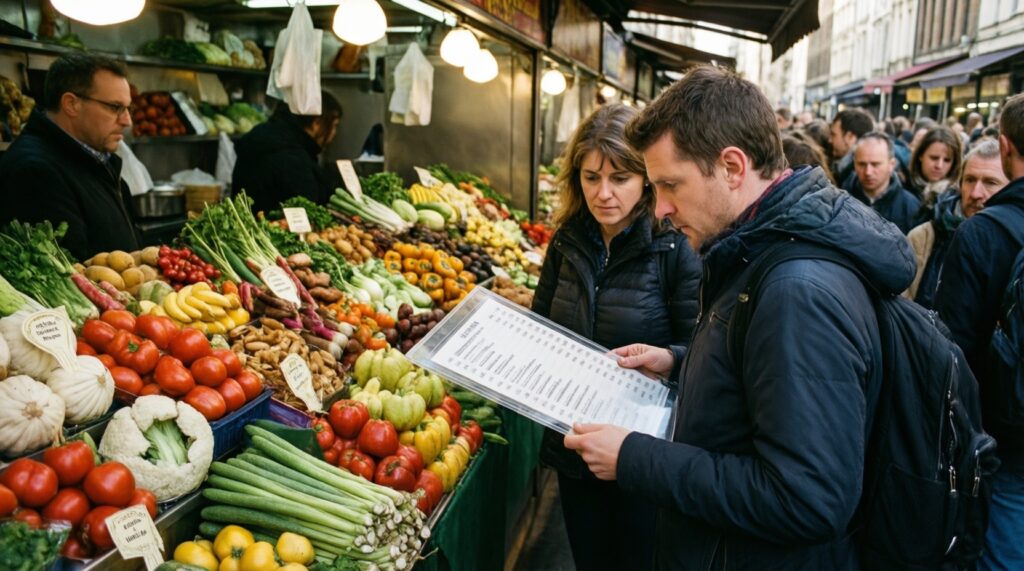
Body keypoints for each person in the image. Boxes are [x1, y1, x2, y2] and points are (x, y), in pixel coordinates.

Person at [564, 65, 915, 569]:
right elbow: (765, 376)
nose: (660, 208)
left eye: (670, 185)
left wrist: (636, 459)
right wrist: (680, 362)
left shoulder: (798, 291)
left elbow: (806, 498)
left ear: (732, 167)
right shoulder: (760, 251)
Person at [531, 103, 700, 571]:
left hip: (641, 452)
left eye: (619, 178)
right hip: (574, 443)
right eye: (590, 178)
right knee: (590, 558)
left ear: (646, 177)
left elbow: (703, 349)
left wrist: (670, 356)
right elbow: (539, 325)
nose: (603, 193)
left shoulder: (674, 246)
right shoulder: (567, 240)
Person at [935, 92, 1024, 571]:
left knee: (1003, 550)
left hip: (1006, 434)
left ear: (1005, 146)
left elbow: (954, 351)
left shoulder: (982, 234)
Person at [0, 53, 139, 260]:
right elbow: (66, 274)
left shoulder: (98, 159)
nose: (127, 121)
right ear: (71, 104)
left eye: (128, 108)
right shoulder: (35, 172)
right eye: (115, 107)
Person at [904, 140, 1007, 307]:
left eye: (990, 182)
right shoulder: (924, 237)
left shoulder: (1015, 244)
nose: (976, 193)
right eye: (970, 180)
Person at [232, 91, 343, 214]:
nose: (334, 133)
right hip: (273, 228)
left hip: (249, 224)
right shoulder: (294, 158)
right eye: (334, 125)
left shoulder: (263, 135)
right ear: (316, 123)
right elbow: (308, 209)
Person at [847, 132, 922, 233]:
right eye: (862, 164)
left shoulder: (911, 207)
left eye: (875, 164)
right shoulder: (840, 200)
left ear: (891, 164)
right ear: (854, 164)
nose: (868, 172)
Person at [908, 126, 963, 209]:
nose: (939, 166)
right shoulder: (902, 186)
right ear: (921, 155)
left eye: (947, 160)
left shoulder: (957, 200)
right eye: (934, 158)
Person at [830, 108, 875, 188]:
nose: (830, 140)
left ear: (850, 137)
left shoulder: (856, 179)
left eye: (834, 135)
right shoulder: (843, 169)